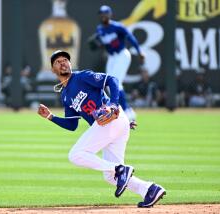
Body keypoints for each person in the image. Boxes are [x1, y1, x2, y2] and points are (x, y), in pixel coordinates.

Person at [37, 50, 166, 208]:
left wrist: (113, 103)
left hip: (112, 120)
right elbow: (72, 125)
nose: (63, 62)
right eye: (58, 61)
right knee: (110, 176)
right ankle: (150, 190)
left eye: (66, 59)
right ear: (53, 70)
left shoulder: (81, 77)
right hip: (111, 126)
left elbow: (112, 79)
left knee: (75, 155)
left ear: (70, 64)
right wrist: (51, 117)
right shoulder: (65, 95)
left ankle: (120, 169)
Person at [90, 5, 144, 122]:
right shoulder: (100, 29)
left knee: (116, 83)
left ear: (110, 15)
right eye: (101, 14)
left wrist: (139, 51)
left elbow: (130, 38)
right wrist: (98, 44)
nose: (103, 16)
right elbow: (101, 44)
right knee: (109, 85)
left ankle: (127, 112)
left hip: (122, 55)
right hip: (112, 57)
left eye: (105, 13)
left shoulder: (117, 27)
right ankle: (123, 110)